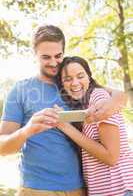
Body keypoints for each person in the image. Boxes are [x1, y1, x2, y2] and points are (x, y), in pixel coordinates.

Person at [0, 25, 127, 196]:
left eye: (58, 56)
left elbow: (115, 95)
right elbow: (2, 146)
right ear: (34, 55)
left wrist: (119, 99)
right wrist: (27, 130)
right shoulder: (21, 90)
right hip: (37, 189)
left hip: (80, 188)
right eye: (46, 57)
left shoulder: (75, 86)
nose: (53, 63)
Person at [55, 56, 133, 196]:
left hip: (120, 189)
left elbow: (111, 157)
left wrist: (64, 126)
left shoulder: (99, 97)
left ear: (89, 77)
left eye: (80, 76)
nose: (75, 83)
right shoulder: (83, 104)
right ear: (62, 84)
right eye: (68, 79)